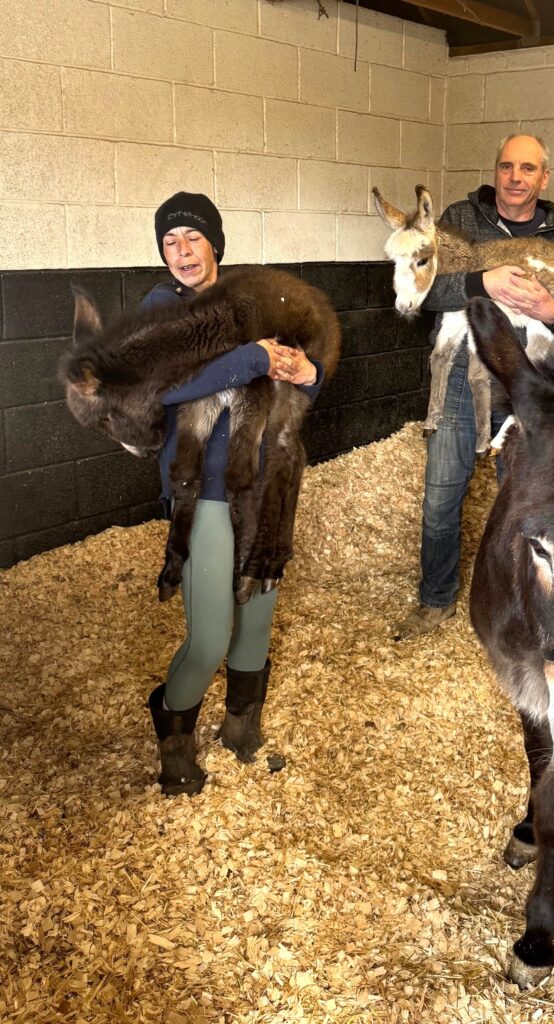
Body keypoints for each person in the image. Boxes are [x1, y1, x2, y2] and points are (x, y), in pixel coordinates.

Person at [140, 192, 325, 797]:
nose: (182, 251)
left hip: (268, 485)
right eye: (170, 242)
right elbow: (161, 385)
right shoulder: (160, 308)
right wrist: (249, 357)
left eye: (193, 238)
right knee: (210, 635)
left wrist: (309, 374)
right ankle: (173, 737)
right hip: (205, 492)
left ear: (215, 244)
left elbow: (297, 372)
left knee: (255, 623)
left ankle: (241, 727)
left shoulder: (255, 299)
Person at [393, 134, 554, 641]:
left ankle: (516, 602)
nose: (515, 177)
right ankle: (435, 598)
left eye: (527, 168)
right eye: (506, 166)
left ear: (543, 178)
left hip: (531, 380)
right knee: (442, 493)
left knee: (523, 498)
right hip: (465, 371)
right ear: (496, 170)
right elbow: (420, 287)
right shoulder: (459, 223)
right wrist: (480, 284)